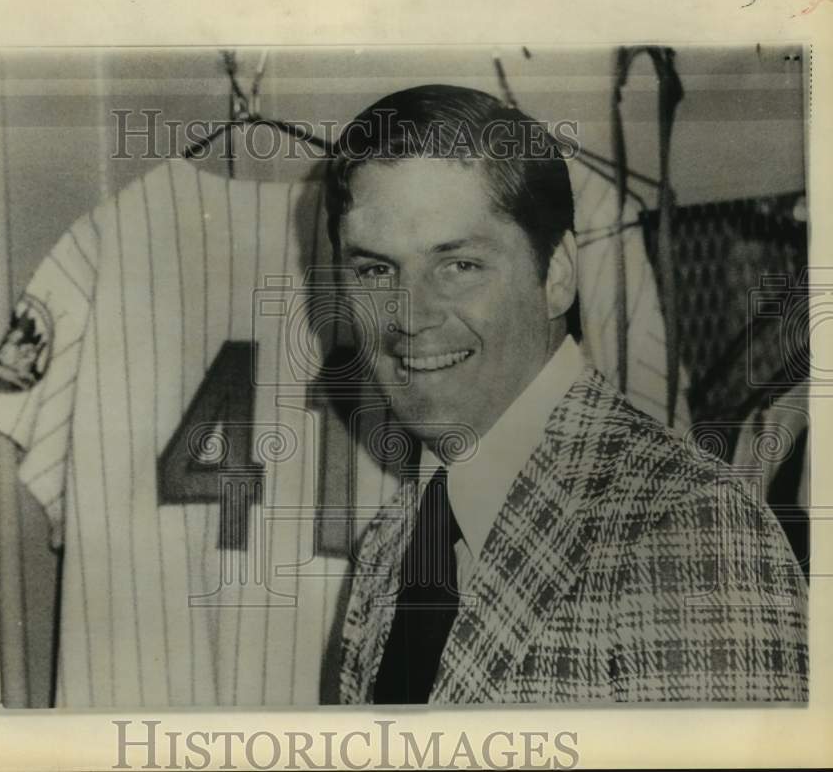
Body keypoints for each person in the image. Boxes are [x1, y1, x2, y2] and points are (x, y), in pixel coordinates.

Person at [327, 84, 808, 704]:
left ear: (556, 276)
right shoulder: (391, 542)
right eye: (375, 270)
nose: (410, 315)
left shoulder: (690, 526)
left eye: (459, 265)